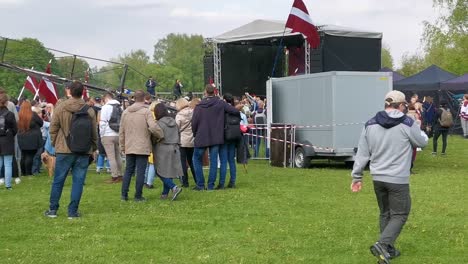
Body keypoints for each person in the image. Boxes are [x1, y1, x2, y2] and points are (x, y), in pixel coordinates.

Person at [351, 90, 428, 263]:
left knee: (385, 213)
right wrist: (419, 128)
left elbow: (362, 153)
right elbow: (422, 142)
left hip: (377, 177)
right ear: (401, 106)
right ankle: (383, 243)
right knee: (400, 213)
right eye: (405, 106)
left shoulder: (369, 124)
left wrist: (356, 177)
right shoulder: (407, 123)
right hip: (398, 179)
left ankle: (387, 252)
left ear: (386, 104)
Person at [45, 81, 98, 219]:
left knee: (58, 180)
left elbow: (53, 128)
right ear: (82, 93)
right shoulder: (89, 110)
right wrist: (93, 148)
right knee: (78, 182)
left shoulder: (60, 107)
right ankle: (72, 212)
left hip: (63, 149)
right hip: (83, 150)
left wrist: (56, 143)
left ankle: (52, 210)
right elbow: (94, 133)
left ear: (69, 92)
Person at [192, 84, 240, 191]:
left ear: (205, 92)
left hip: (201, 136)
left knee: (196, 159)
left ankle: (200, 185)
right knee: (213, 161)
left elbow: (194, 123)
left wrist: (195, 133)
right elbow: (234, 111)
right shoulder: (220, 103)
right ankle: (210, 185)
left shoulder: (199, 106)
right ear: (214, 92)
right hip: (216, 137)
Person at [119, 90, 163, 202]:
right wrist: (160, 135)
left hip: (129, 145)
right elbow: (153, 127)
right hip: (142, 145)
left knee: (128, 170)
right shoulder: (146, 112)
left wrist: (122, 146)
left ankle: (124, 195)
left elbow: (121, 131)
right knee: (140, 171)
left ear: (134, 98)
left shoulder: (125, 112)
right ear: (144, 99)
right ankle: (138, 196)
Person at [153, 103, 183, 200]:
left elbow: (156, 136)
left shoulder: (158, 124)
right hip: (174, 148)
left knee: (159, 171)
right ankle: (164, 194)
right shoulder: (174, 122)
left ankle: (174, 187)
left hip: (162, 148)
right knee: (169, 172)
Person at [218, 93, 241, 189]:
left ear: (224, 100)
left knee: (223, 161)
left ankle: (222, 183)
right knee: (231, 160)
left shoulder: (223, 110)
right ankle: (232, 182)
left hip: (224, 137)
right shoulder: (236, 111)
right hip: (233, 137)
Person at [100, 92, 123, 183]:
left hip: (107, 134)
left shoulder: (105, 107)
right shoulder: (120, 107)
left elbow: (102, 122)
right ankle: (120, 174)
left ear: (106, 98)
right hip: (118, 133)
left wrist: (101, 135)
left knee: (111, 157)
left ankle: (114, 176)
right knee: (118, 156)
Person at [17, 101, 43, 176]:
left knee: (23, 155)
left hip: (21, 137)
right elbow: (41, 123)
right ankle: (28, 172)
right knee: (30, 155)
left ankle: (23, 172)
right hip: (32, 138)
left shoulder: (19, 115)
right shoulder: (33, 114)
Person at [175, 98, 195, 187]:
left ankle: (185, 182)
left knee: (182, 162)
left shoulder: (179, 115)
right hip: (193, 139)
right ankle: (197, 179)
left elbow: (176, 128)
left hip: (182, 141)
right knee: (192, 161)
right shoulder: (194, 112)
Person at [0, 92, 18, 190]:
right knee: (8, 164)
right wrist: (10, 135)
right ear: (6, 102)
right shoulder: (10, 114)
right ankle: (8, 185)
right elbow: (15, 129)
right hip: (7, 140)